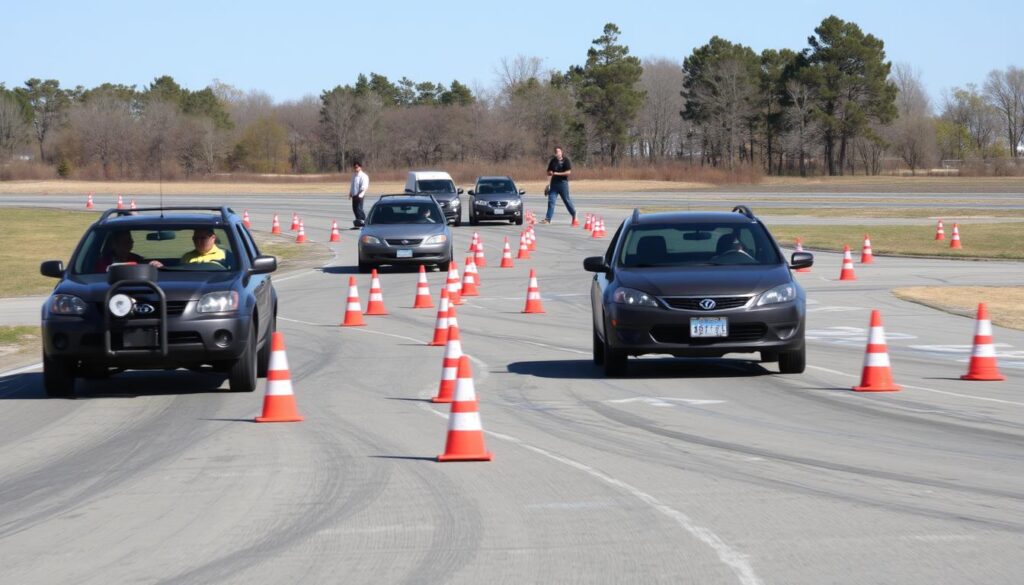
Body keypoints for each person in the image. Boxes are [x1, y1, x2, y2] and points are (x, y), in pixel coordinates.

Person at [149, 228, 225, 268]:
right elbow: (178, 275)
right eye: (195, 238)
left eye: (202, 238)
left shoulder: (223, 256)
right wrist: (162, 268)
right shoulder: (187, 257)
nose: (198, 242)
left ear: (213, 238)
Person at [542, 146, 576, 224]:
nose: (557, 153)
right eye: (556, 152)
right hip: (554, 184)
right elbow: (548, 172)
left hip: (563, 184)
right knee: (551, 201)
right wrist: (548, 180)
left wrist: (557, 173)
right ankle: (548, 219)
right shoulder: (553, 161)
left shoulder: (565, 160)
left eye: (558, 151)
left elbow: (568, 172)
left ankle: (574, 215)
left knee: (566, 200)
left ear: (561, 152)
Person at [349, 160, 369, 227]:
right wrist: (350, 193)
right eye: (354, 167)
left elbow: (364, 186)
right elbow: (352, 185)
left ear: (360, 167)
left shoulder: (363, 176)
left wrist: (359, 194)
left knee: (359, 209)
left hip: (360, 195)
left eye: (357, 167)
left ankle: (363, 221)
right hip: (354, 195)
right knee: (354, 209)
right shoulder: (354, 176)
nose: (355, 168)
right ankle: (358, 222)